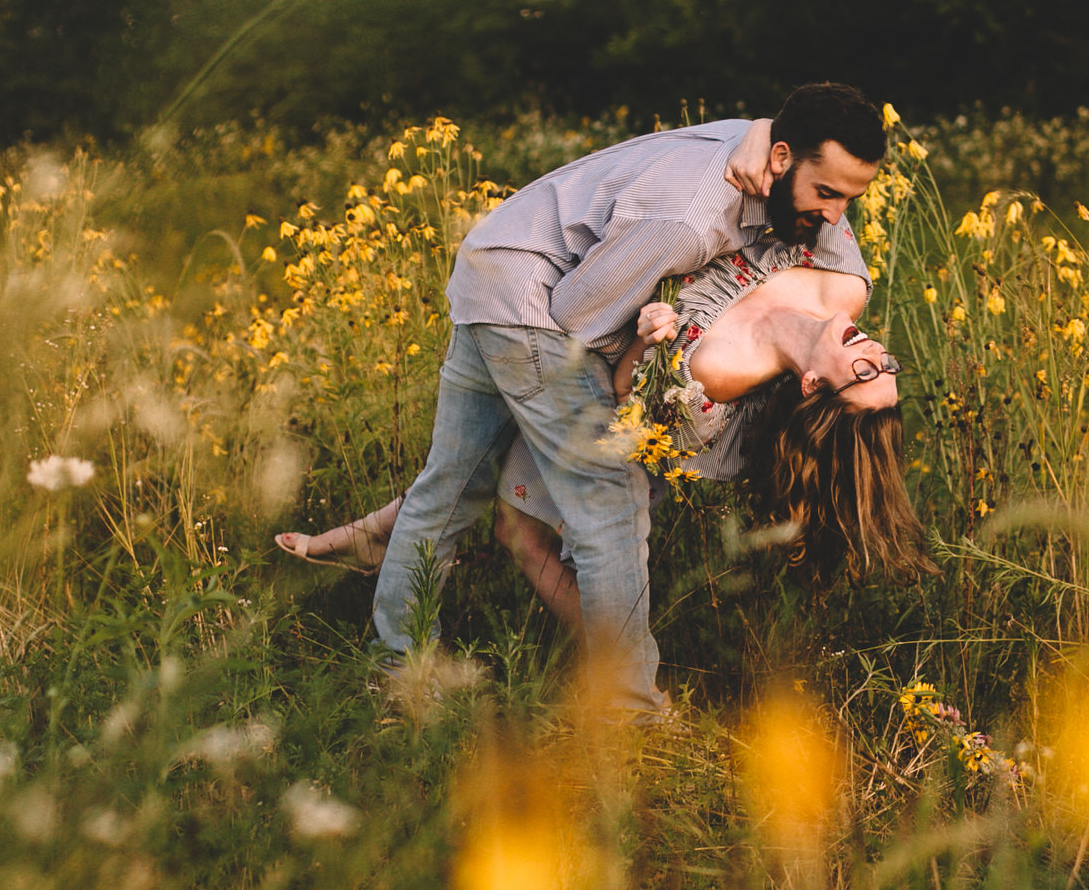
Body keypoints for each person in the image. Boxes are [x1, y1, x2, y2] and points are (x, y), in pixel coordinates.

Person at [298, 83, 891, 713]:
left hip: (493, 265)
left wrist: (759, 127)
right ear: (778, 160)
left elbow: (824, 233)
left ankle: (396, 666)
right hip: (532, 299)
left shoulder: (765, 158)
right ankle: (629, 707)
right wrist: (651, 345)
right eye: (827, 194)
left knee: (454, 484)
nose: (836, 215)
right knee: (608, 502)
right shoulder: (685, 223)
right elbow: (579, 314)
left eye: (849, 198)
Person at [279, 225, 932, 613]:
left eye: (868, 375)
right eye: (889, 364)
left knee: (522, 534)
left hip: (611, 419)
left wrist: (652, 340)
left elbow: (630, 396)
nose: (877, 353)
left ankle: (619, 685)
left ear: (816, 384)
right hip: (577, 324)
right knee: (487, 473)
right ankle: (375, 535)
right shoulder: (844, 274)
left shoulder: (708, 398)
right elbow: (800, 186)